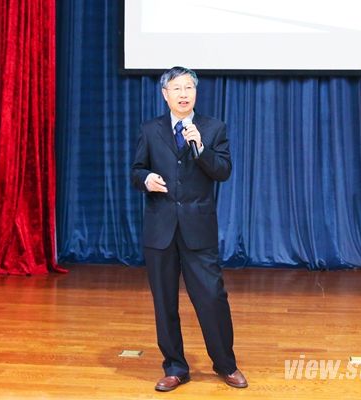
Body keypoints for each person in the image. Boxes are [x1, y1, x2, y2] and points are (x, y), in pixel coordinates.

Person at [131, 66, 247, 392]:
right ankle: (175, 367)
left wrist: (201, 148)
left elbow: (222, 171)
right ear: (165, 94)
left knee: (212, 298)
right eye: (177, 89)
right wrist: (145, 179)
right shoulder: (150, 130)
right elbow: (137, 170)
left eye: (188, 88)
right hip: (161, 229)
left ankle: (225, 364)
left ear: (195, 92)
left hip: (198, 228)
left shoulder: (212, 128)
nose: (183, 94)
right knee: (164, 302)